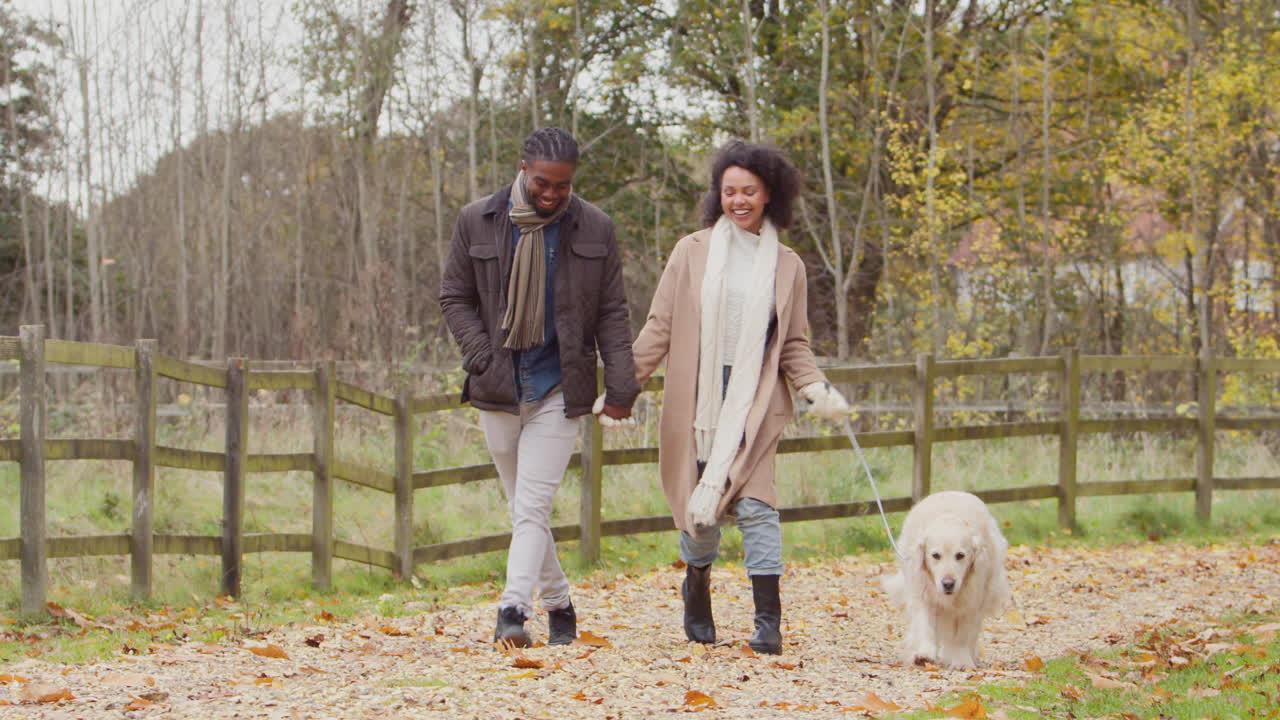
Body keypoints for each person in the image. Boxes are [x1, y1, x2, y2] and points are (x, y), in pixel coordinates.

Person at [628, 140, 848, 655]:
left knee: (756, 505)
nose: (739, 200)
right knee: (699, 515)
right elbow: (660, 326)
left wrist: (815, 388)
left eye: (749, 190)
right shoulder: (691, 251)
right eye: (729, 191)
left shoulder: (788, 265)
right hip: (697, 400)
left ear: (769, 193)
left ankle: (767, 621)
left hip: (757, 400)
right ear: (718, 196)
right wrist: (623, 387)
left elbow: (793, 343)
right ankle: (697, 587)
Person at [440, 127, 639, 648]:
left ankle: (512, 610)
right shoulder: (476, 220)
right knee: (523, 506)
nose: (551, 195)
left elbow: (613, 313)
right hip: (499, 386)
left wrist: (622, 384)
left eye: (563, 186)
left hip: (559, 387)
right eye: (543, 184)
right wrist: (480, 354)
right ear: (523, 169)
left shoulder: (595, 228)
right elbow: (454, 297)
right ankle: (561, 604)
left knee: (531, 507)